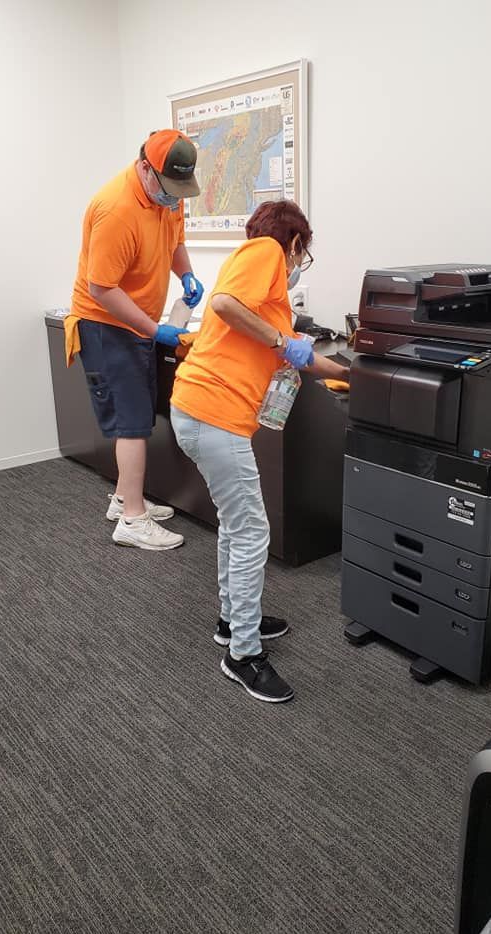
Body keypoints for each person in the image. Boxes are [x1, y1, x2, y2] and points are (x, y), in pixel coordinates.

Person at [170, 201, 350, 703]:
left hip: (200, 409)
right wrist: (281, 339)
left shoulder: (264, 292)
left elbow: (300, 354)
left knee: (236, 523)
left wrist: (355, 375)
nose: (297, 264)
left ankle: (233, 623)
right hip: (214, 413)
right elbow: (225, 304)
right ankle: (243, 655)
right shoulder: (267, 250)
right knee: (252, 530)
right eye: (303, 254)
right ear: (294, 243)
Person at [64, 129, 205, 551]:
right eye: (169, 188)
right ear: (145, 168)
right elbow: (101, 289)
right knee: (131, 422)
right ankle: (132, 519)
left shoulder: (168, 194)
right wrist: (152, 329)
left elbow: (174, 239)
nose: (174, 198)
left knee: (139, 414)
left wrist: (186, 273)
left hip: (136, 321)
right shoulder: (116, 209)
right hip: (104, 324)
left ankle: (127, 497)